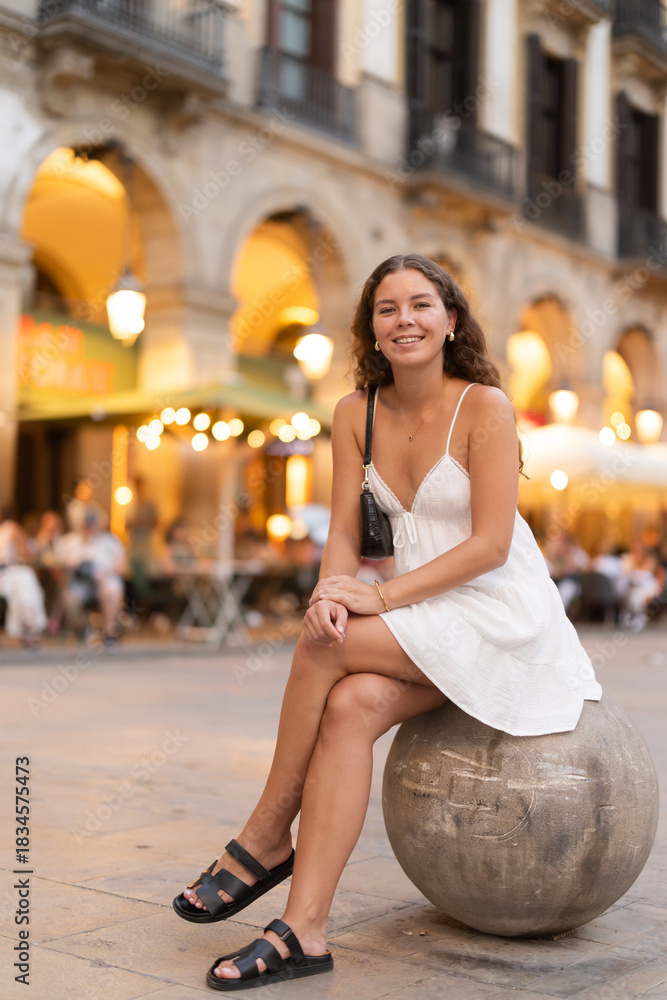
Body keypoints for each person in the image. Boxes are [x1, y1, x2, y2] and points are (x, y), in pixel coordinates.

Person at [172, 254, 602, 991]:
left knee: (320, 655)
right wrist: (331, 591)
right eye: (387, 309)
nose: (404, 320)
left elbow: (491, 545)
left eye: (420, 305)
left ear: (449, 320)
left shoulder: (485, 408)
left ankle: (266, 835)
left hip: (498, 611)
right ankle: (304, 930)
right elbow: (343, 529)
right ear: (370, 329)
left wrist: (381, 597)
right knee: (345, 701)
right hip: (423, 613)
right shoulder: (353, 412)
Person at [54, 507, 127, 643]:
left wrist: (104, 573)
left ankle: (109, 633)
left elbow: (123, 567)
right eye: (86, 524)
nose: (89, 527)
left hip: (104, 580)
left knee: (112, 589)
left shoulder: (110, 541)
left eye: (92, 523)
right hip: (80, 582)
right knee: (68, 597)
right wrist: (71, 565)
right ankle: (83, 629)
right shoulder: (70, 541)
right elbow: (57, 563)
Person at [0, 508, 47, 646]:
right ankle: (30, 625)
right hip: (8, 572)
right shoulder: (13, 528)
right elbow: (25, 552)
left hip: (6, 574)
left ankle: (28, 625)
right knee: (25, 577)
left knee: (22, 582)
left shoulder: (2, 530)